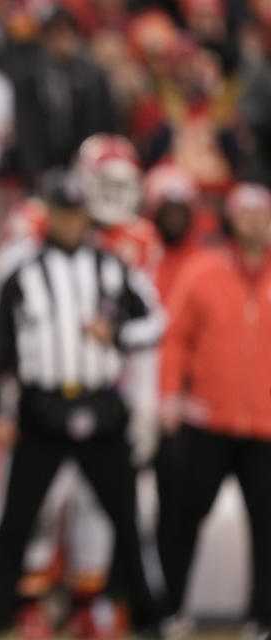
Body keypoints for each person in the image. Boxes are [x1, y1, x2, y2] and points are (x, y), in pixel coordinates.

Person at [0, 169, 165, 638]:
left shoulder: (113, 267)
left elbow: (154, 322)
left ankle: (148, 618)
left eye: (77, 215)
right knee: (15, 523)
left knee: (127, 521)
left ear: (86, 218)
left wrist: (116, 332)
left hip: (101, 409)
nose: (71, 224)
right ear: (48, 215)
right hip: (41, 411)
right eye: (62, 214)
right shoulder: (23, 270)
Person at [157, 182, 271, 638]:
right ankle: (172, 609)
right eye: (246, 214)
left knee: (267, 526)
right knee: (185, 517)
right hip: (208, 419)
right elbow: (175, 338)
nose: (255, 223)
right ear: (231, 219)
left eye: (262, 214)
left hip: (264, 423)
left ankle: (262, 618)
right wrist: (169, 397)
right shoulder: (204, 271)